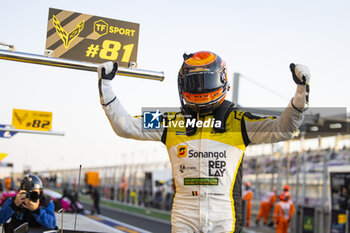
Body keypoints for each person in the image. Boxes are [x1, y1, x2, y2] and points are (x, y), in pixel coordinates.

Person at [97, 51, 310, 232]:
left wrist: (301, 93)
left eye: (204, 81)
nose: (199, 89)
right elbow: (125, 126)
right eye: (194, 82)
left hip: (223, 213)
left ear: (220, 80)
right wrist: (105, 86)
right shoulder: (171, 120)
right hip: (184, 211)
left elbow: (283, 129)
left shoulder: (237, 120)